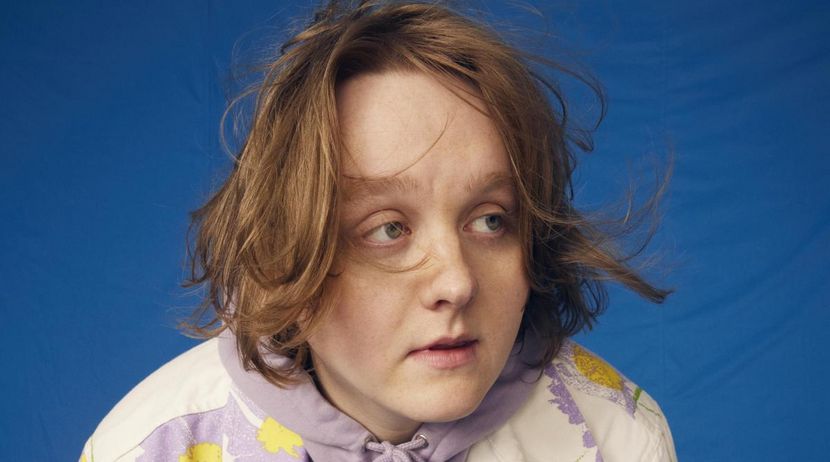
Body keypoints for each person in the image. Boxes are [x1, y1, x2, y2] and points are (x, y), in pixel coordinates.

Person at [80, 1, 676, 461]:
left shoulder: (615, 437)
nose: (457, 282)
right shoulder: (150, 448)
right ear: (284, 252)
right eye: (388, 229)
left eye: (490, 220)